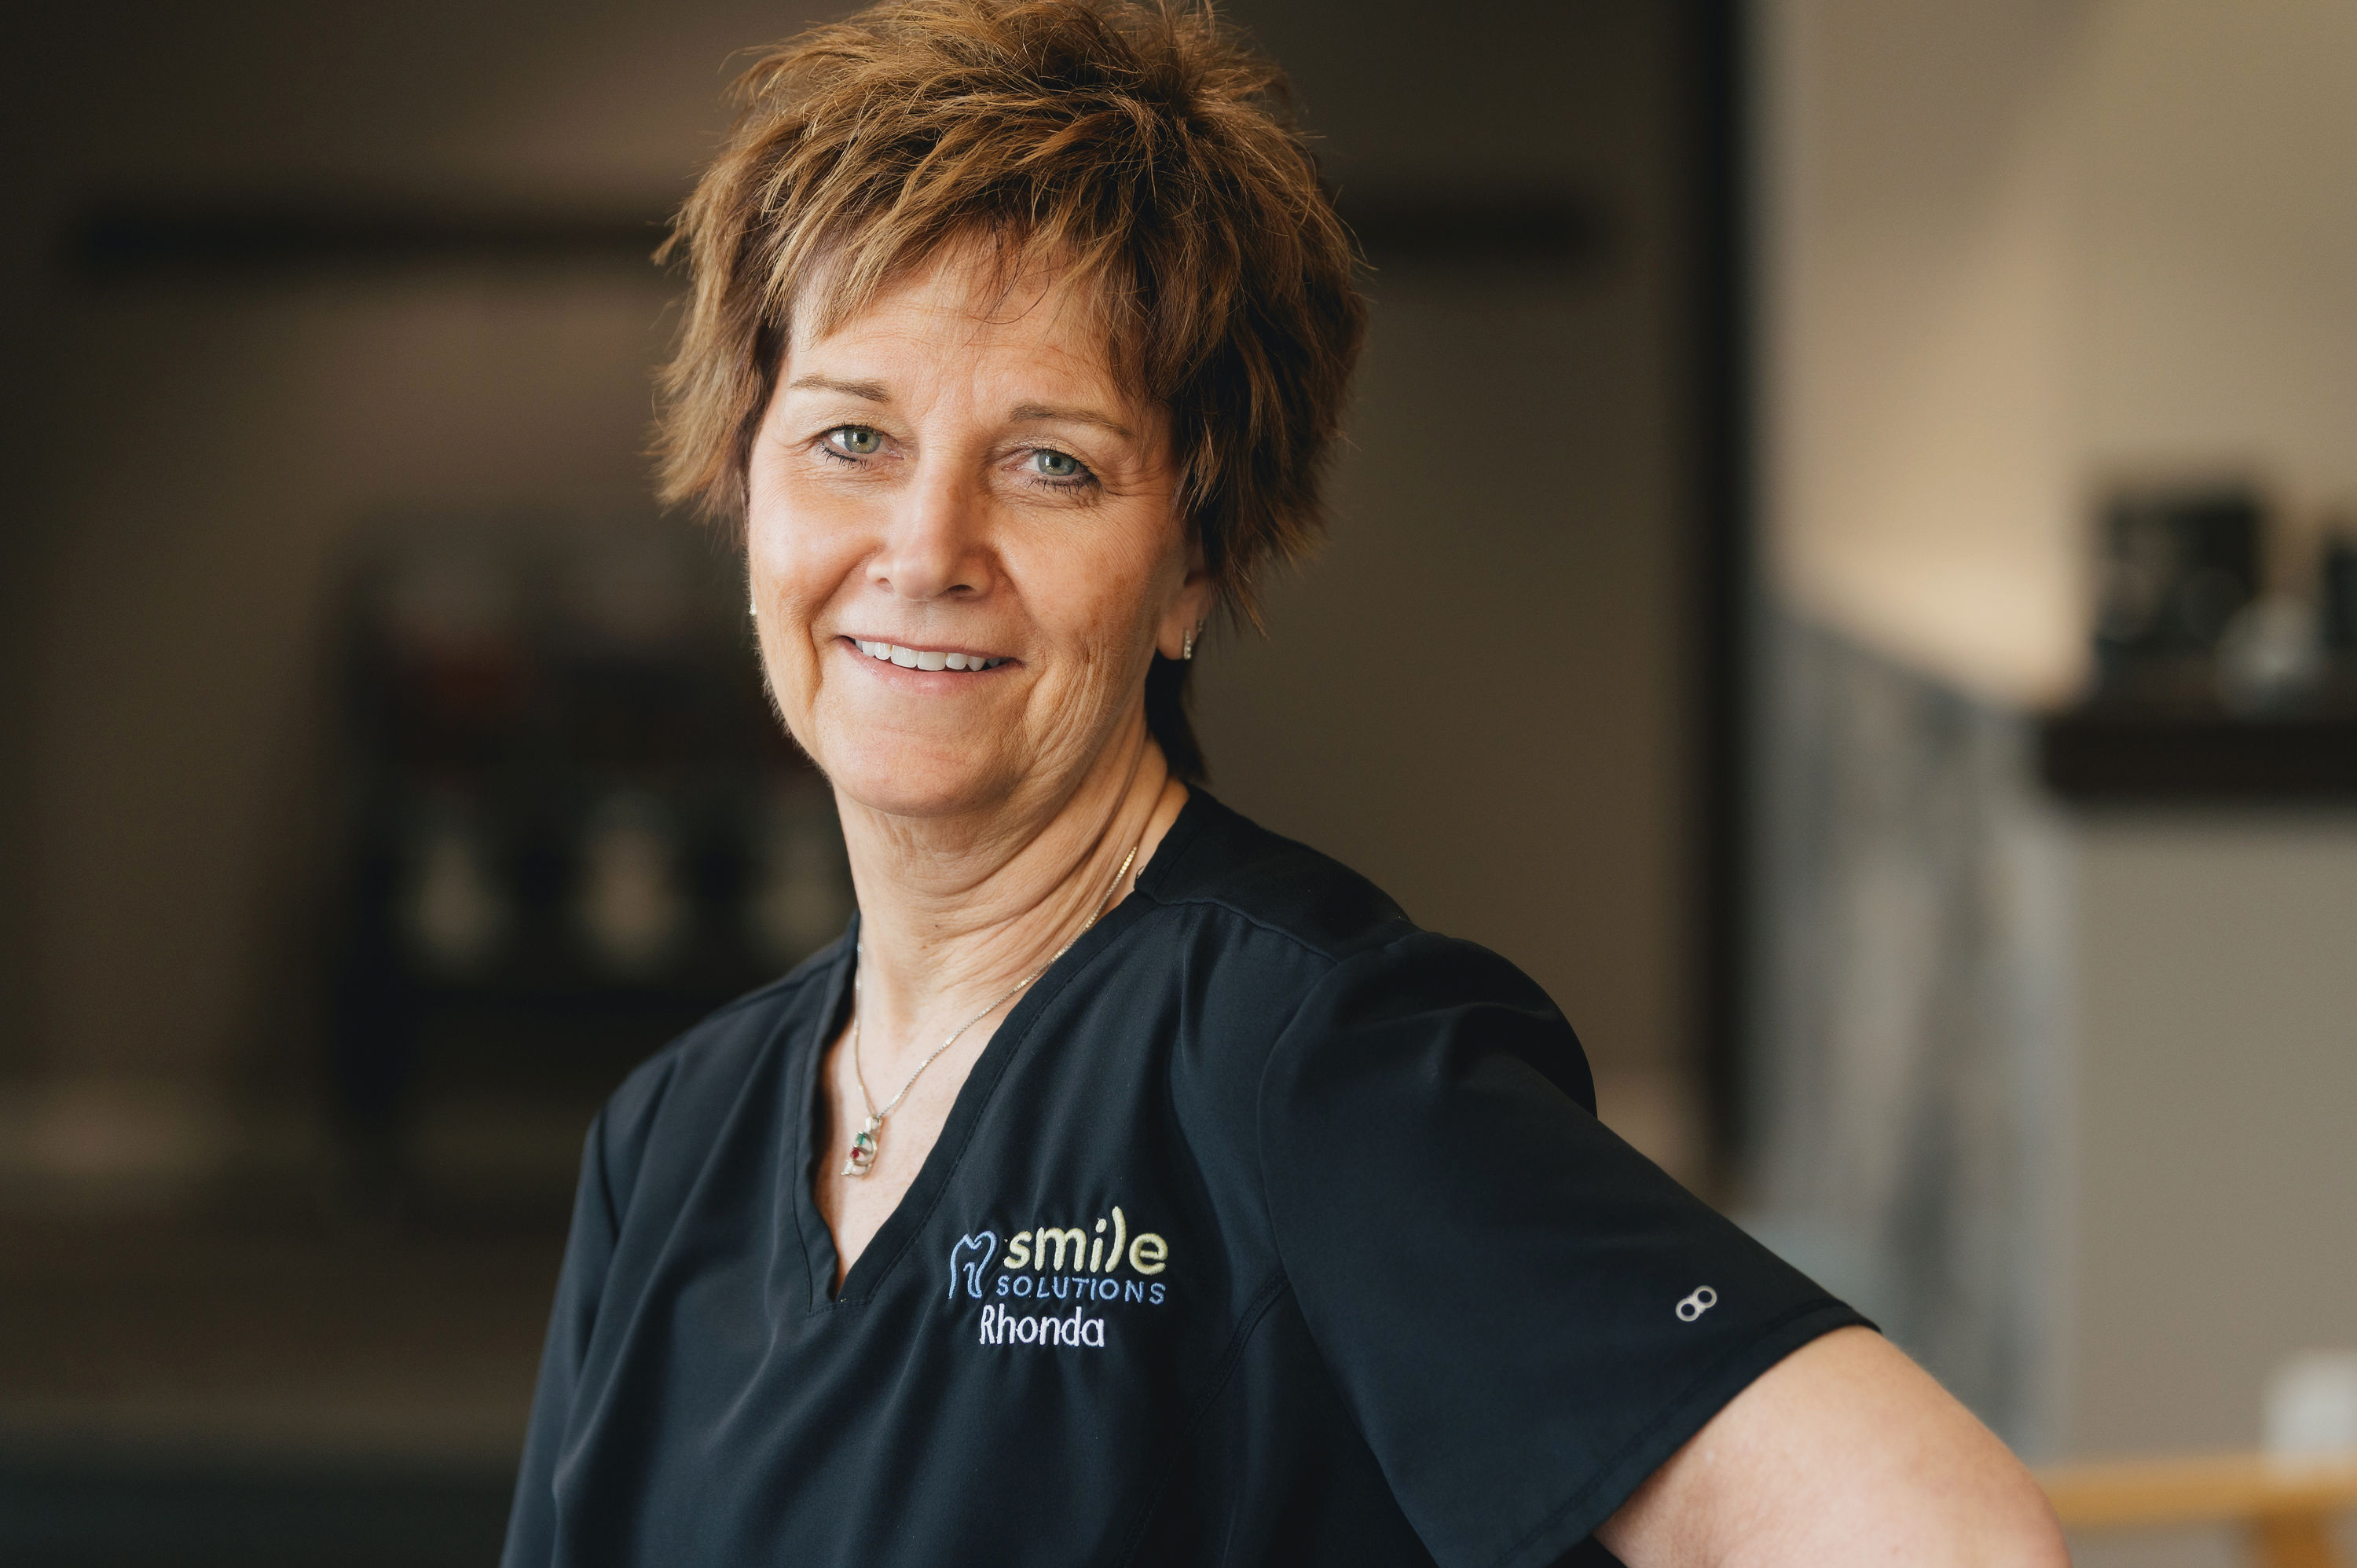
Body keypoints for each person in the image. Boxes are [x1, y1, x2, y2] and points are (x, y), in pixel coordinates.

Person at [502, 2, 2069, 1563]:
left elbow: (1940, 1534)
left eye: (1051, 461)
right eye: (852, 436)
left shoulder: (1302, 1054)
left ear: (1195, 565)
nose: (924, 550)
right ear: (743, 483)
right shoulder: (673, 1137)